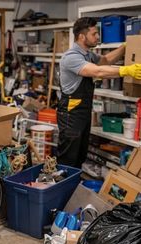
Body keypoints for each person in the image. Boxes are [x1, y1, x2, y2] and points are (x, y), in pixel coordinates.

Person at [57, 17, 141, 168]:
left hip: (82, 111)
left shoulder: (87, 55)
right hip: (71, 113)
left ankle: (73, 187)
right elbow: (98, 71)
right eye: (94, 34)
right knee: (68, 157)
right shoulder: (71, 57)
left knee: (80, 155)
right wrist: (126, 70)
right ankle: (61, 188)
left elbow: (105, 60)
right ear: (82, 36)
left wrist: (125, 46)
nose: (98, 37)